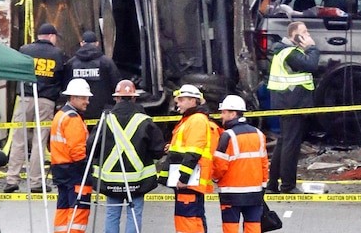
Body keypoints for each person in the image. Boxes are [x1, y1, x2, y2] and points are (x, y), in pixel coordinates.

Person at [92, 79, 165, 233]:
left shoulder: (106, 119)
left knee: (112, 214)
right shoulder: (144, 121)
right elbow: (157, 150)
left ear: (116, 98)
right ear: (134, 97)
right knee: (134, 213)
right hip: (138, 180)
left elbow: (92, 146)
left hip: (111, 179)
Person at [4, 22, 66, 194]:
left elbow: (14, 70)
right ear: (52, 36)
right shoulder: (57, 53)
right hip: (46, 100)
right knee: (39, 141)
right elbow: (62, 78)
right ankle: (36, 183)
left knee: (18, 138)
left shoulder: (24, 50)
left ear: (38, 36)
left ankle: (11, 179)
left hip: (24, 98)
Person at [265, 21, 319, 194]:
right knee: (291, 145)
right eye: (305, 32)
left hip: (288, 101)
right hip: (291, 102)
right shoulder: (290, 52)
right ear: (294, 36)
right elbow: (311, 65)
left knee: (283, 143)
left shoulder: (285, 51)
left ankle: (272, 185)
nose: (308, 35)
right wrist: (312, 48)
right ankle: (287, 185)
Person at [158, 84, 220, 233]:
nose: (177, 103)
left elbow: (193, 153)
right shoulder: (191, 119)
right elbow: (187, 147)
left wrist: (184, 178)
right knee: (194, 219)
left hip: (189, 181)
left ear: (193, 101)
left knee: (188, 221)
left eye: (181, 99)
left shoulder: (196, 120)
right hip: (190, 181)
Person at [212, 95, 269, 233]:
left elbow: (219, 166)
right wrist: (263, 185)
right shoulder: (259, 134)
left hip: (231, 193)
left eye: (224, 112)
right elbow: (264, 163)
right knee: (253, 226)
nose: (221, 116)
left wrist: (215, 178)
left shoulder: (227, 136)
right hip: (255, 192)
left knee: (230, 227)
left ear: (233, 113)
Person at [51, 78, 93, 233]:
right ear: (73, 97)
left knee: (63, 209)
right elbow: (77, 151)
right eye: (83, 98)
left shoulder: (60, 115)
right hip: (74, 171)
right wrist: (86, 171)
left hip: (61, 169)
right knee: (78, 211)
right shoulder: (72, 118)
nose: (87, 101)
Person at [65, 30, 122, 121]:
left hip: (78, 113)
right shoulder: (106, 62)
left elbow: (65, 85)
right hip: (103, 113)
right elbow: (117, 84)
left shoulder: (71, 63)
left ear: (82, 44)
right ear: (97, 43)